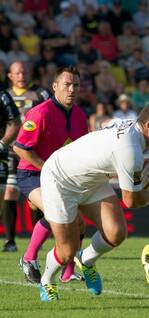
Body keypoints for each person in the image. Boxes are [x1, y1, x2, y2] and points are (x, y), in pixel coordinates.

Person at [38, 101, 149, 301]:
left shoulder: (130, 125)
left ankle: (85, 260)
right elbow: (131, 201)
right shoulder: (131, 152)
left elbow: (106, 123)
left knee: (116, 232)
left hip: (91, 180)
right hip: (59, 180)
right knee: (66, 251)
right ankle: (47, 280)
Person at [14, 66, 88, 284]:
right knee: (58, 212)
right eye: (67, 84)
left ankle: (68, 272)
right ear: (55, 86)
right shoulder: (40, 112)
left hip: (61, 178)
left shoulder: (80, 116)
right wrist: (47, 167)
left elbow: (80, 150)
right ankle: (28, 258)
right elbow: (20, 148)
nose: (72, 89)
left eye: (76, 85)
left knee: (79, 223)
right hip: (31, 175)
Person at [3, 60, 50, 252]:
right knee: (10, 192)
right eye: (17, 73)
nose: (21, 76)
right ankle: (10, 241)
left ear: (29, 73)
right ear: (10, 76)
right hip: (11, 152)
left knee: (35, 199)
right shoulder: (5, 96)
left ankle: (36, 241)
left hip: (33, 153)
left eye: (24, 72)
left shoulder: (41, 93)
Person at [0, 90, 21, 214]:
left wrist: (2, 144)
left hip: (2, 153)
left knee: (5, 192)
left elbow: (16, 122)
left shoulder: (2, 95)